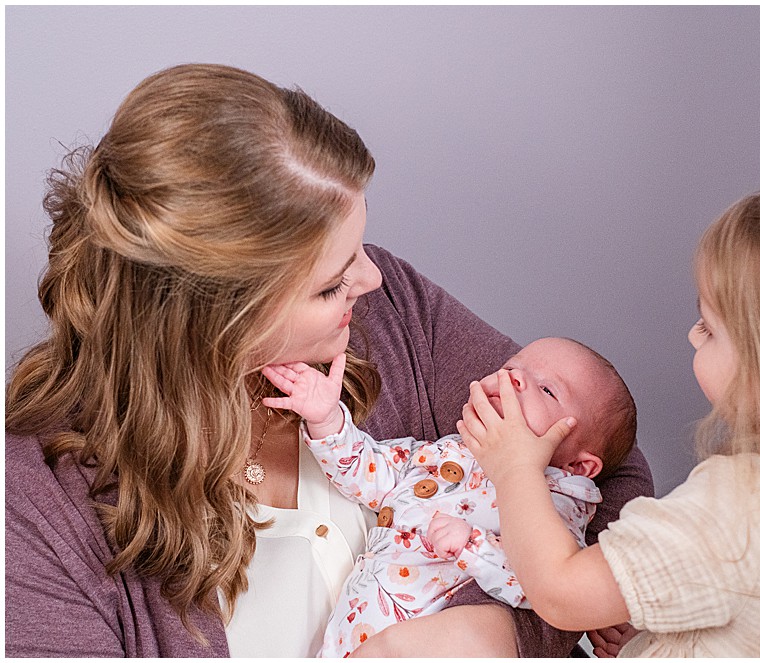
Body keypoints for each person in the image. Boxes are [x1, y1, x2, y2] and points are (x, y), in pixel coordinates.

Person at [4, 63, 653, 658]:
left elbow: (602, 457)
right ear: (212, 320)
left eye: (360, 246)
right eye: (329, 285)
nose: (372, 278)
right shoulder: (37, 513)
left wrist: (495, 628)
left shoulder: (387, 314)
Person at [451, 182, 760, 656]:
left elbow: (561, 594)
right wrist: (654, 626)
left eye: (709, 328)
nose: (692, 336)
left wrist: (514, 469)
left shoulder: (739, 507)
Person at [261, 337, 637, 656]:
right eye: (511, 367)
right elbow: (369, 470)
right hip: (348, 638)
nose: (514, 380)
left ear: (579, 467)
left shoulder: (557, 499)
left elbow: (546, 588)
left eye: (547, 389)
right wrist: (327, 419)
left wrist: (472, 545)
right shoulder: (445, 453)